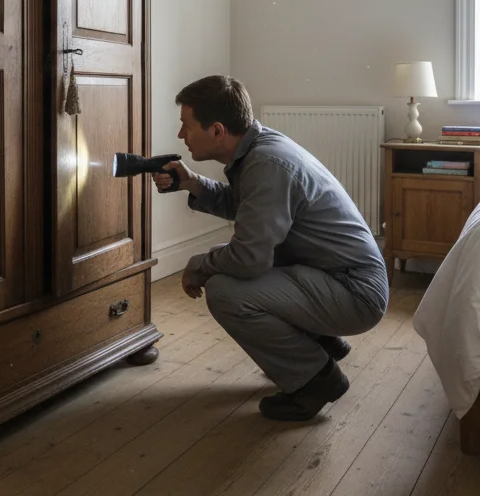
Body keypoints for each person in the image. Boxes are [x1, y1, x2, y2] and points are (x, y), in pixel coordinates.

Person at [153, 75, 389, 421]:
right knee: (231, 263)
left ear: (217, 131)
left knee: (224, 289)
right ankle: (321, 342)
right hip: (335, 275)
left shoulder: (266, 166)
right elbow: (250, 211)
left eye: (186, 126)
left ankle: (315, 381)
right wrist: (192, 183)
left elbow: (249, 259)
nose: (180, 135)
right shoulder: (261, 149)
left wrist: (198, 265)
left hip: (354, 292)